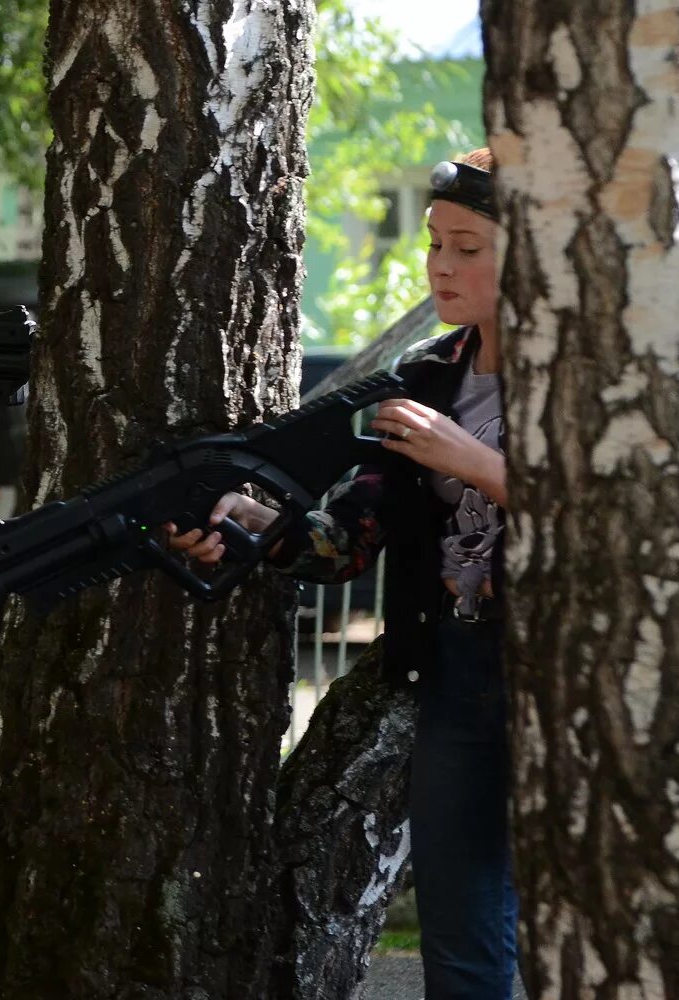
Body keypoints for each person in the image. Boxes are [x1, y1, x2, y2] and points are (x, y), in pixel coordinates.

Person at [169, 149, 517, 999]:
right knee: (465, 945)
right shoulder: (431, 376)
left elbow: (636, 524)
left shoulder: (605, 376)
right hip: (456, 681)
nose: (441, 264)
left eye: (468, 247)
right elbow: (349, 542)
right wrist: (260, 527)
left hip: (572, 684)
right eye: (435, 242)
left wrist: (473, 461)